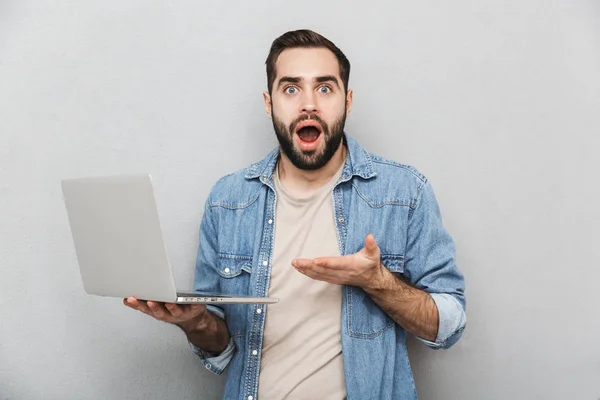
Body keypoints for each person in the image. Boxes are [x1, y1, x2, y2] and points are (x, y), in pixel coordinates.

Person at [124, 29, 466, 400]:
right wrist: (196, 322)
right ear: (269, 103)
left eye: (324, 88)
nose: (308, 105)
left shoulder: (403, 192)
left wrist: (377, 281)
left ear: (347, 101)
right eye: (291, 89)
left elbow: (449, 325)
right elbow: (218, 350)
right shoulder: (228, 200)